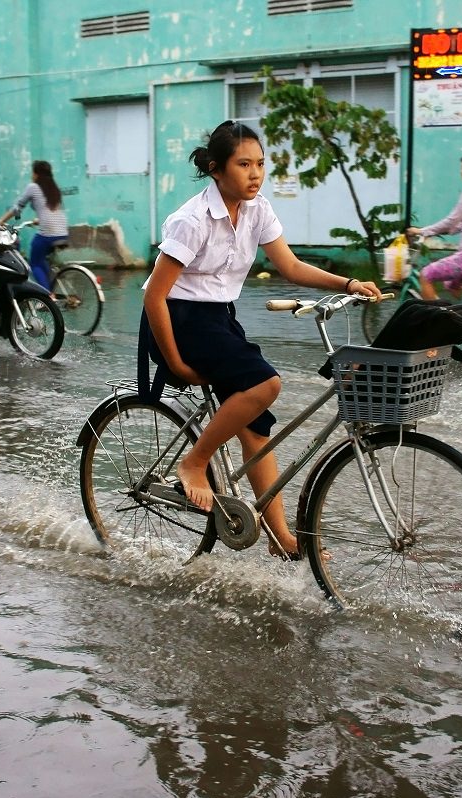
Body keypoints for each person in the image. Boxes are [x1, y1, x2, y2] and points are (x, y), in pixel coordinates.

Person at [141, 120, 380, 559]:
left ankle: (277, 536)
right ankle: (194, 462)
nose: (255, 173)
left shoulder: (258, 209)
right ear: (216, 169)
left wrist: (347, 284)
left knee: (255, 424)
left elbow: (290, 266)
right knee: (265, 384)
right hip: (178, 320)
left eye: (261, 164)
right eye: (243, 164)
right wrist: (173, 363)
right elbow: (155, 297)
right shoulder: (192, 219)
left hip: (219, 321)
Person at [405, 152, 462, 301]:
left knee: (426, 275)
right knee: (452, 284)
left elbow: (451, 221)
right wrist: (450, 229)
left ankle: (441, 318)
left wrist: (422, 231)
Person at [0, 160, 68, 292]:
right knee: (42, 260)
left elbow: (17, 208)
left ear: (36, 174)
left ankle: (47, 296)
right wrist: (38, 220)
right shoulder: (54, 189)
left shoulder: (33, 187)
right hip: (63, 232)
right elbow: (52, 212)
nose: (32, 175)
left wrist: (0, 221)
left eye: (33, 172)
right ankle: (51, 289)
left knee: (34, 262)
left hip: (48, 234)